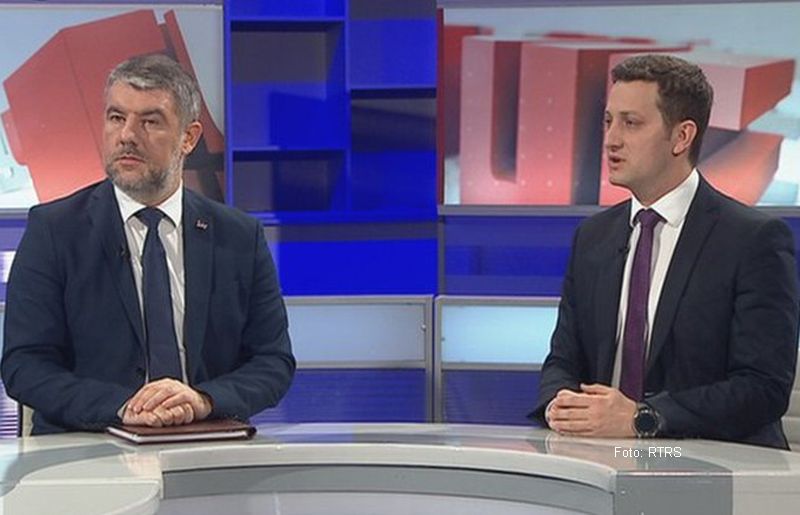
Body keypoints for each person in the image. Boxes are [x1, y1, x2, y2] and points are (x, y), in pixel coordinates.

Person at [1, 54, 296, 434]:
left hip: (206, 444)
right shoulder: (54, 231)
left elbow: (272, 361)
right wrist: (124, 407)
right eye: (116, 117)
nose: (127, 135)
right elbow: (25, 365)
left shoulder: (239, 236)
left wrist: (203, 400)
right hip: (89, 447)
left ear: (188, 138)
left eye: (150, 121)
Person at [531, 54, 799, 448]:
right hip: (605, 458)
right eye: (608, 121)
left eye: (631, 123)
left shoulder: (752, 240)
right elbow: (563, 360)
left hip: (709, 464)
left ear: (682, 137)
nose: (611, 139)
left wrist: (644, 418)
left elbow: (762, 388)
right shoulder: (593, 238)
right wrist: (561, 403)